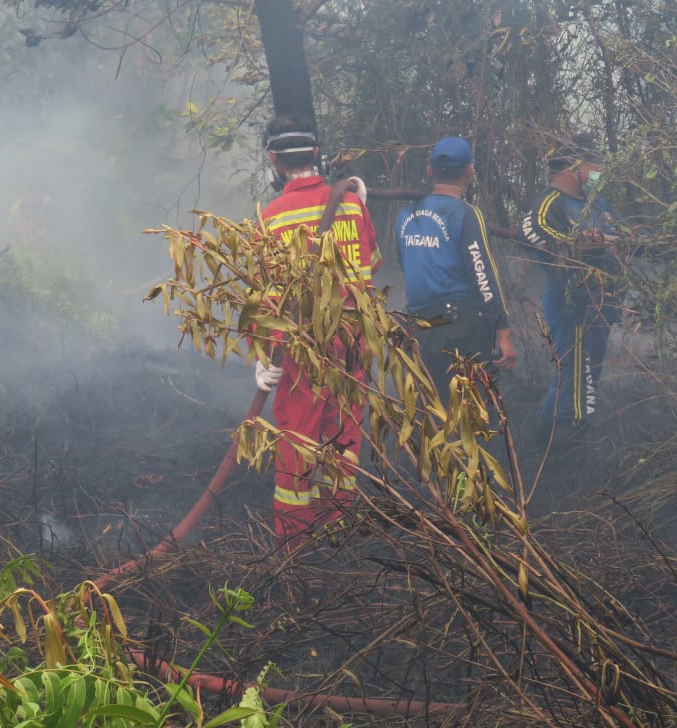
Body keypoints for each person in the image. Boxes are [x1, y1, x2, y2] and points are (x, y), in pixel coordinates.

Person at [254, 115, 379, 548]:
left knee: (297, 436)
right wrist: (359, 207)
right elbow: (372, 263)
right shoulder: (350, 204)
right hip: (352, 341)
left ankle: (294, 540)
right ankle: (337, 528)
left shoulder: (271, 218)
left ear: (274, 159)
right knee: (343, 433)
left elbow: (269, 298)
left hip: (301, 347)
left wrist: (263, 356)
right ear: (315, 154)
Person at [394, 136, 516, 404]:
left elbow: (405, 266)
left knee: (430, 411)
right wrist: (503, 332)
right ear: (469, 172)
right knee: (474, 413)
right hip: (461, 330)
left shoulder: (405, 214)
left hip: (419, 329)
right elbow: (483, 278)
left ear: (429, 170)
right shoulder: (466, 214)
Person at [520, 141, 621, 442]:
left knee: (589, 375)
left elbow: (621, 238)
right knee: (574, 377)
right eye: (595, 165)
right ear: (574, 166)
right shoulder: (550, 202)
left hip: (602, 303)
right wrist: (577, 243)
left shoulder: (599, 203)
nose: (599, 172)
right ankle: (560, 441)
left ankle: (559, 437)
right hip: (571, 304)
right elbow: (533, 231)